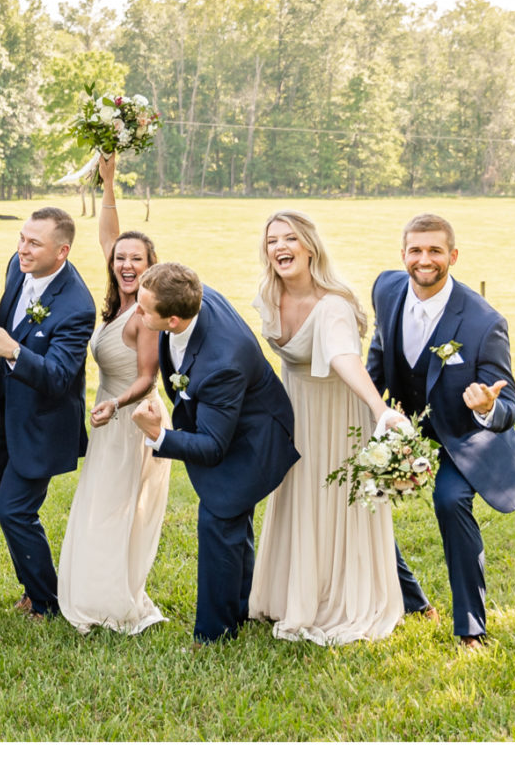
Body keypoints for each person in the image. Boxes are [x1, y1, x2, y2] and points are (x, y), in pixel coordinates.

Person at [366, 213, 515, 648]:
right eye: (416, 250)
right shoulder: (385, 289)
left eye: (435, 251)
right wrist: (367, 402)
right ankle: (413, 601)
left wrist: (488, 406)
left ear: (453, 256)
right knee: (359, 493)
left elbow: (509, 405)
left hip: (464, 438)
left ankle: (471, 628)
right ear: (403, 254)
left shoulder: (484, 322)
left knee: (450, 501)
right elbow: (381, 348)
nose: (425, 260)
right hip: (406, 428)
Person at [247, 210, 407, 645]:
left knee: (334, 502)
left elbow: (342, 357)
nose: (280, 247)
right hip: (295, 413)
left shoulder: (332, 305)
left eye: (290, 239)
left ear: (310, 246)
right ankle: (292, 593)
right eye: (272, 240)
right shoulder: (268, 294)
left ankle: (338, 598)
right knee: (300, 498)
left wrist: (380, 410)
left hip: (338, 417)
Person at [129, 262, 299, 644]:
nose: (137, 312)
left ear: (173, 319)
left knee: (218, 519)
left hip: (254, 441)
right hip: (228, 419)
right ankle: (239, 607)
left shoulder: (223, 361)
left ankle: (214, 635)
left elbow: (212, 446)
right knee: (231, 522)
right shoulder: (189, 297)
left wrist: (159, 436)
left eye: (143, 309)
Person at [57, 151, 170, 634]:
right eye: (120, 258)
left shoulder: (145, 314)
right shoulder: (118, 302)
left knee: (116, 508)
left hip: (131, 418)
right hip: (109, 416)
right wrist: (108, 181)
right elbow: (110, 236)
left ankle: (112, 600)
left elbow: (148, 375)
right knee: (100, 503)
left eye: (136, 260)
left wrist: (116, 404)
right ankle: (96, 590)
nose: (125, 264)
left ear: (150, 267)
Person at [0, 206, 96, 621]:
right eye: (22, 238)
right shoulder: (17, 266)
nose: (22, 249)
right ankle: (32, 589)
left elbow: (61, 377)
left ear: (61, 252)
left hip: (42, 424)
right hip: (5, 413)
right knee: (2, 505)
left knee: (14, 509)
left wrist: (13, 350)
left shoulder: (77, 306)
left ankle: (47, 600)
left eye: (34, 243)